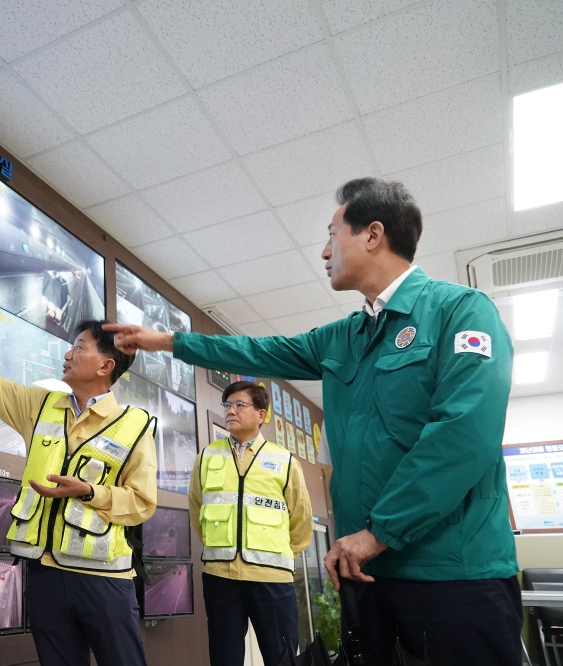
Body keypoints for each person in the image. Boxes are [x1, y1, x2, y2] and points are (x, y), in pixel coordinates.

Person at [106, 178, 520, 666]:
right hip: (364, 574)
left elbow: (463, 436)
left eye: (332, 235)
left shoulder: (461, 311)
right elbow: (258, 350)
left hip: (452, 574)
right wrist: (169, 342)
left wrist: (376, 535)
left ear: (372, 234)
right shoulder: (344, 336)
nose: (324, 252)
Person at [0, 320, 157, 666]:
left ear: (106, 365)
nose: (67, 354)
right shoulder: (41, 405)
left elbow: (142, 502)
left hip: (105, 582)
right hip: (45, 576)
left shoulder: (134, 426)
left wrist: (90, 492)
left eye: (78, 347)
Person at [192, 380, 312, 666]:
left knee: (281, 658)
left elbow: (301, 520)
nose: (230, 411)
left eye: (239, 404)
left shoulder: (284, 460)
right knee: (224, 658)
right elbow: (197, 510)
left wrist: (279, 555)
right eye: (226, 405)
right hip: (221, 579)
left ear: (261, 414)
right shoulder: (207, 456)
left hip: (272, 579)